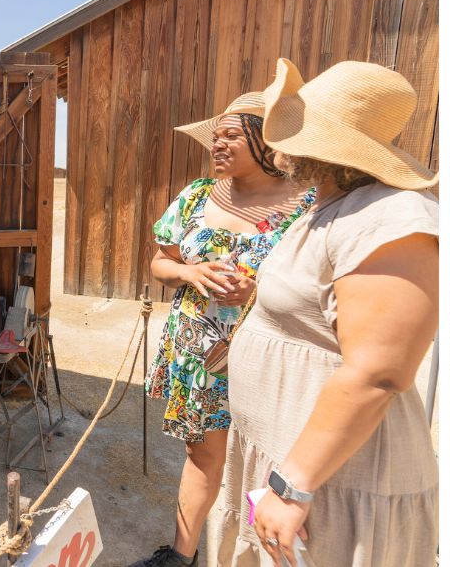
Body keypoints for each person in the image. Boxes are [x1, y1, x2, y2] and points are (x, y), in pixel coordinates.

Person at [213, 60, 438, 567]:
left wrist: (293, 485)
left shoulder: (392, 218)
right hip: (291, 459)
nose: (277, 138)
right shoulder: (330, 206)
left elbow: (378, 373)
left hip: (333, 481)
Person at [130, 92, 313, 567]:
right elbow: (160, 262)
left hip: (269, 353)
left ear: (266, 140)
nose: (217, 145)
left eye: (231, 135)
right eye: (215, 137)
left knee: (268, 459)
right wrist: (189, 272)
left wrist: (256, 291)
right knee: (203, 455)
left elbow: (318, 284)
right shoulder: (196, 196)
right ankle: (181, 555)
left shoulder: (307, 206)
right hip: (200, 356)